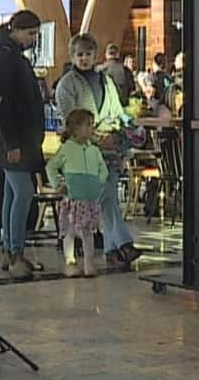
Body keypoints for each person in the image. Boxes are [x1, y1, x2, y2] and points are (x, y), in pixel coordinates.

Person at [55, 33, 141, 269]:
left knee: (108, 197)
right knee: (106, 196)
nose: (84, 59)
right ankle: (123, 244)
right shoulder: (66, 85)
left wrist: (125, 125)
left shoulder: (106, 80)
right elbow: (70, 120)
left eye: (88, 54)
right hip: (82, 152)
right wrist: (94, 137)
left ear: (96, 55)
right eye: (79, 54)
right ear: (72, 57)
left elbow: (115, 108)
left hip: (109, 148)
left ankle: (116, 250)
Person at [0, 10, 47, 280]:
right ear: (15, 30)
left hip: (19, 138)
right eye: (30, 33)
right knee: (23, 192)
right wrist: (10, 142)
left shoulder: (9, 55)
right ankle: (15, 253)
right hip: (12, 139)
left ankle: (11, 249)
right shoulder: (2, 58)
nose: (33, 39)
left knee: (13, 193)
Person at [46, 108, 109, 278]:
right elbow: (51, 166)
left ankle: (89, 261)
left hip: (89, 199)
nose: (91, 129)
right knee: (71, 231)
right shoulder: (67, 149)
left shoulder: (94, 150)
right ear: (75, 128)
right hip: (73, 199)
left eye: (92, 125)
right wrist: (58, 184)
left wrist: (98, 182)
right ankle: (70, 260)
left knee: (88, 231)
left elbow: (103, 169)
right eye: (87, 125)